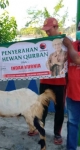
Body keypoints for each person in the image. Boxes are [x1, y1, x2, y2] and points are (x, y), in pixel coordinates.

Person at [27, 17, 68, 145]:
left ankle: (57, 133)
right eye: (45, 30)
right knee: (42, 107)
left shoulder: (66, 41)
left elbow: (70, 56)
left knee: (59, 109)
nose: (47, 33)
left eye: (49, 30)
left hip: (60, 82)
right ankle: (39, 128)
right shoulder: (43, 42)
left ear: (56, 27)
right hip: (45, 80)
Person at [63, 37, 80, 150]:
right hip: (72, 94)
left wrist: (69, 46)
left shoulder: (70, 46)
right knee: (72, 124)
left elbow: (77, 59)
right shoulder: (72, 44)